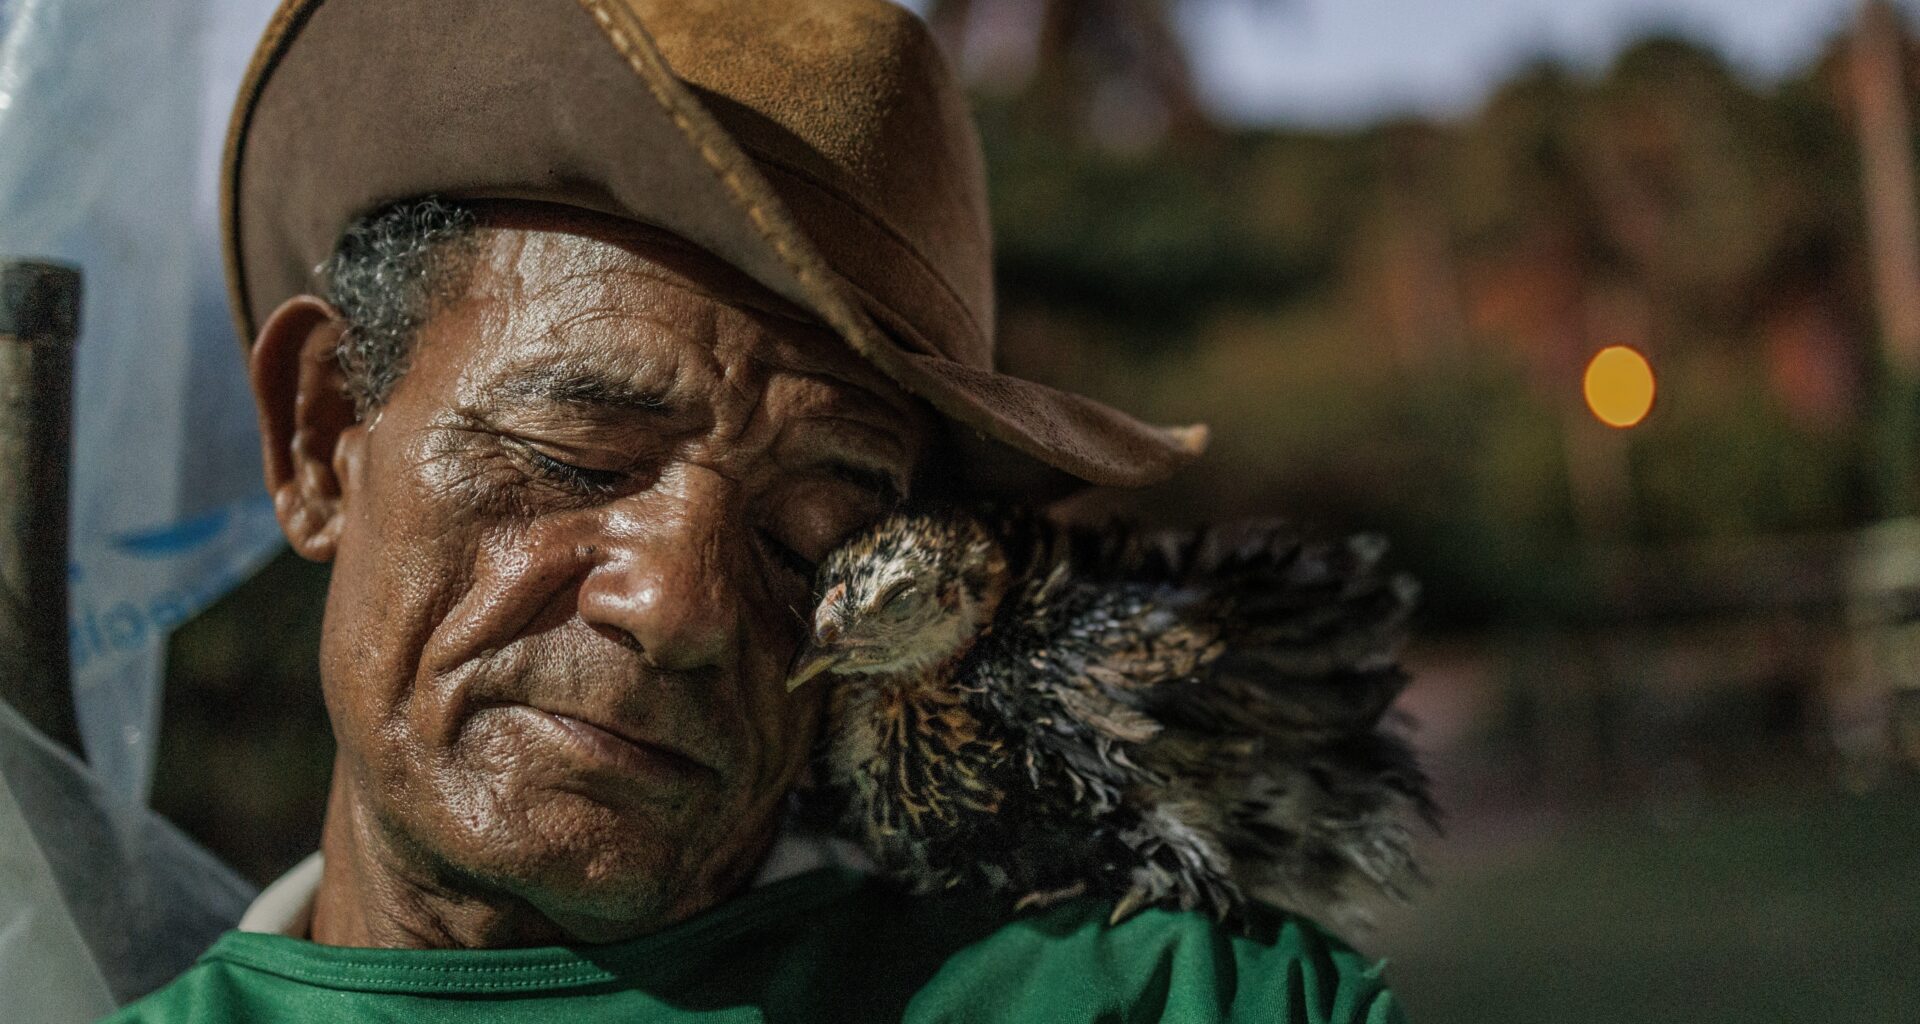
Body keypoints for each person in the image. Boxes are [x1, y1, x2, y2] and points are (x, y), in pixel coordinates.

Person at [108, 0, 1409, 1019]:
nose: (678, 604)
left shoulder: (1174, 1002)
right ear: (325, 433)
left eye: (808, 540)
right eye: (575, 454)